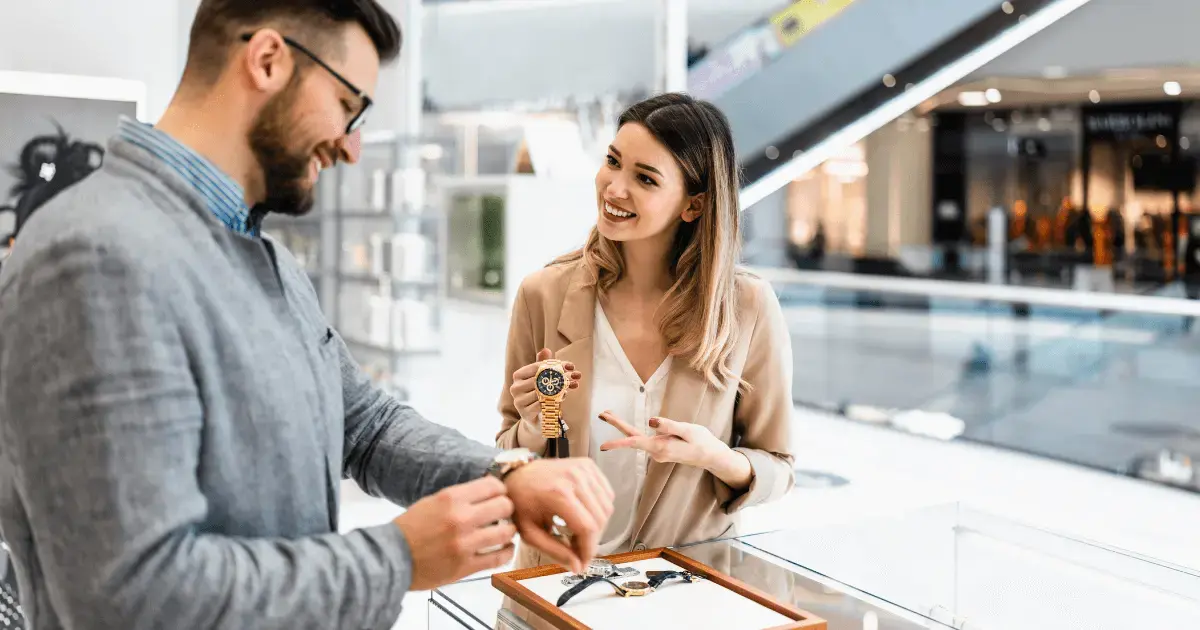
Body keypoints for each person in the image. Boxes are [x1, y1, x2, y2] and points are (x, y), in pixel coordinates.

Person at [0, 2, 613, 629]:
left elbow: (363, 425)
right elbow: (135, 597)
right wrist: (396, 557)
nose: (351, 147)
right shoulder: (94, 256)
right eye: (349, 106)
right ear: (267, 60)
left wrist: (506, 475)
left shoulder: (268, 260)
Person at [496, 93, 795, 572]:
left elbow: (778, 466)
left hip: (683, 587)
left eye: (645, 178)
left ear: (693, 206)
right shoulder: (544, 293)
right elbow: (510, 452)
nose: (614, 188)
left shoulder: (747, 308)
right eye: (612, 162)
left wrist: (715, 457)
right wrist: (535, 424)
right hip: (557, 581)